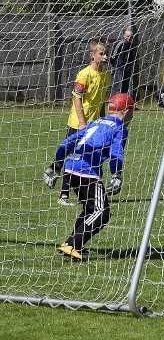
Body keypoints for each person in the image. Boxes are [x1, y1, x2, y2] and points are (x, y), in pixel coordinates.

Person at [43, 93, 140, 262]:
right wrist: (117, 174)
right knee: (102, 213)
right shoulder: (119, 128)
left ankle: (74, 245)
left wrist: (56, 165)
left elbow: (68, 142)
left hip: (70, 169)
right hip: (87, 173)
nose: (133, 115)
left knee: (90, 209)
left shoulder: (95, 122)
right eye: (133, 111)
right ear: (125, 110)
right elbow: (116, 152)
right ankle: (72, 244)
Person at [58, 37, 111, 207]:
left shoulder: (106, 76)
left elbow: (102, 101)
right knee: (73, 157)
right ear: (92, 55)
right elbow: (77, 99)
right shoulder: (84, 74)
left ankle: (85, 193)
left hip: (94, 124)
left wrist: (102, 121)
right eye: (101, 53)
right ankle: (63, 194)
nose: (104, 57)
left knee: (89, 158)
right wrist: (82, 122)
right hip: (78, 123)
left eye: (106, 54)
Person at [110, 28, 137, 95]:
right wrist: (112, 67)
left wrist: (131, 67)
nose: (129, 38)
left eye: (131, 36)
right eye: (128, 36)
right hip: (119, 67)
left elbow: (131, 57)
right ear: (124, 36)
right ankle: (116, 102)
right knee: (118, 86)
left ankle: (124, 102)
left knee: (125, 87)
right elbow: (113, 56)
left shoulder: (132, 45)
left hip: (127, 68)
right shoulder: (119, 44)